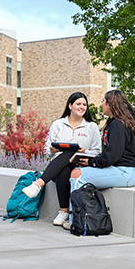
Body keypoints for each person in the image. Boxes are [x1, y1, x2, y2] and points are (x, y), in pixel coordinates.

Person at [65, 89, 135, 229]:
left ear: (111, 104)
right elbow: (111, 154)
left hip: (126, 172)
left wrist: (91, 162)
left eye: (103, 101)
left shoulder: (118, 125)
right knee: (79, 172)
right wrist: (91, 160)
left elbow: (112, 156)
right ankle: (88, 215)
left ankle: (75, 220)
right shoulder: (116, 123)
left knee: (78, 175)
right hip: (122, 170)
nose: (101, 104)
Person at [22, 92, 101, 226]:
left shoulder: (92, 127)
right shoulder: (58, 124)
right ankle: (64, 211)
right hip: (57, 169)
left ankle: (38, 185)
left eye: (84, 104)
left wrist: (84, 152)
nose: (82, 107)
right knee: (64, 166)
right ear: (70, 105)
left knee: (71, 152)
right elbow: (47, 152)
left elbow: (98, 151)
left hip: (81, 165)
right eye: (78, 104)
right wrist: (52, 150)